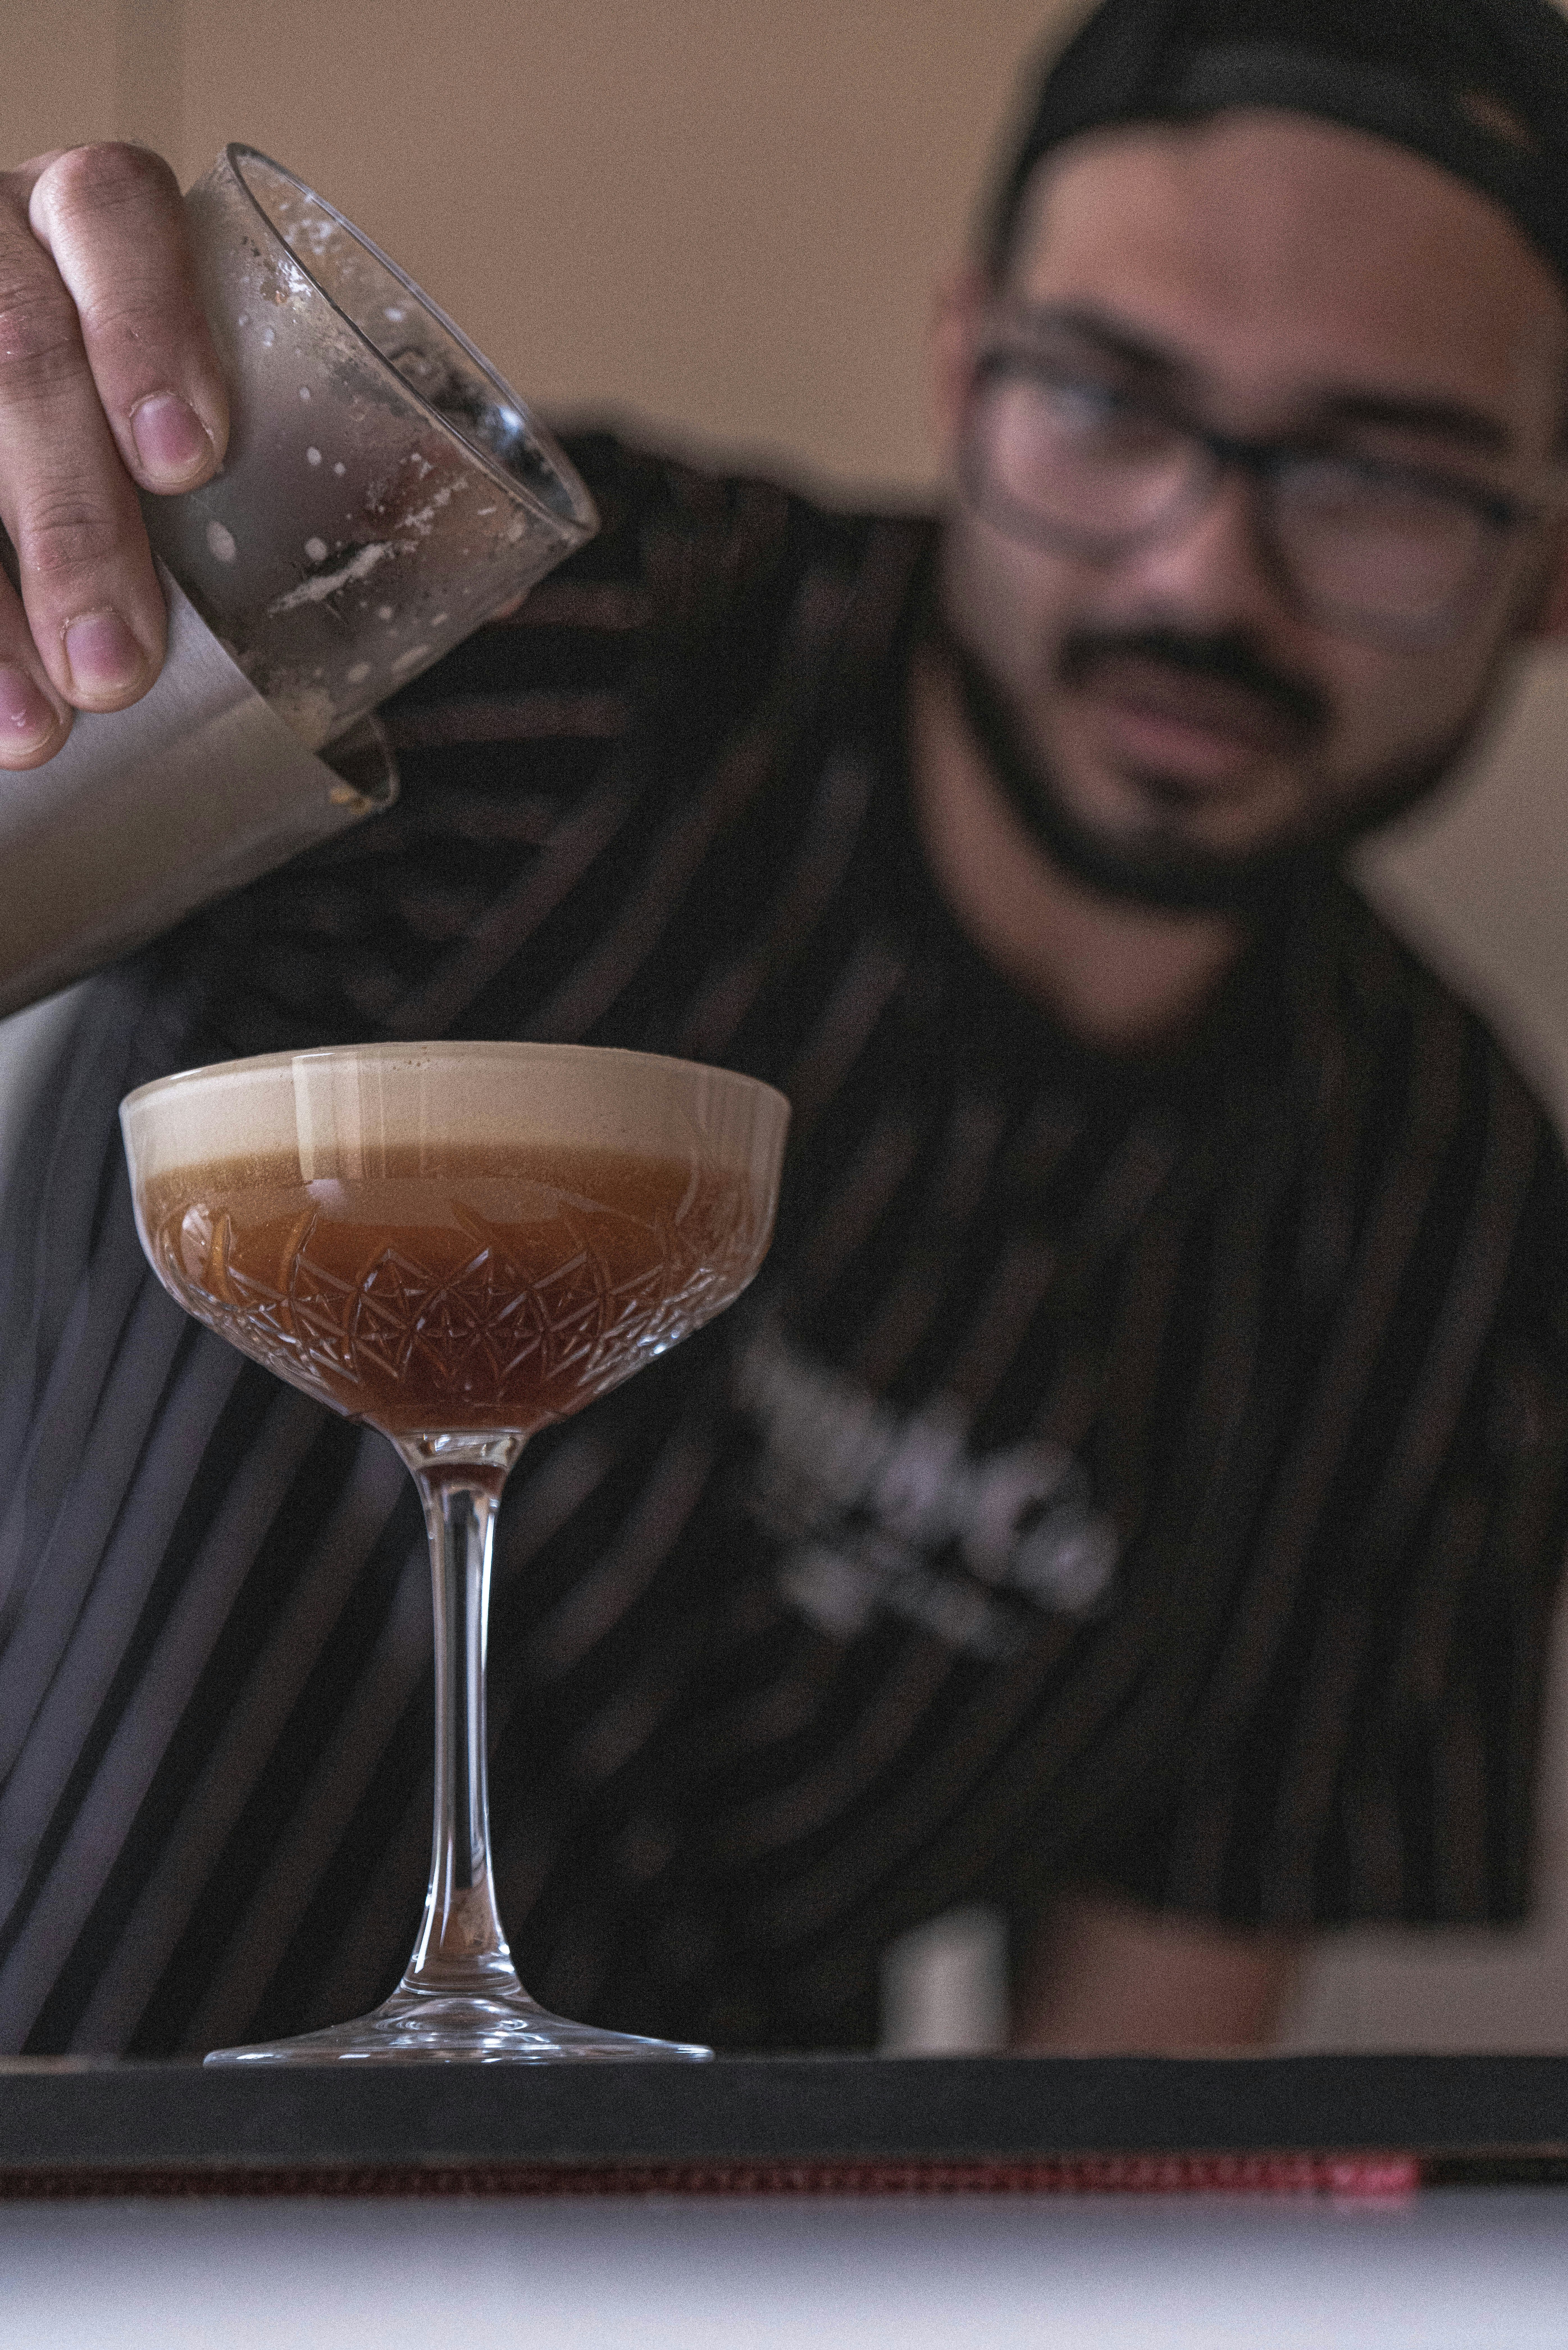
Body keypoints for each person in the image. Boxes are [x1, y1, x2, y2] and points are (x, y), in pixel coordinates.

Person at [1, 0, 1568, 2058]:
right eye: (1107, 403)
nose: (1207, 568)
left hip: (711, 2272)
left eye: (1379, 479)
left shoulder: (1438, 1211)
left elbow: (1136, 2113)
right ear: (965, 372)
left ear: (1548, 560)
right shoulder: (542, 648)